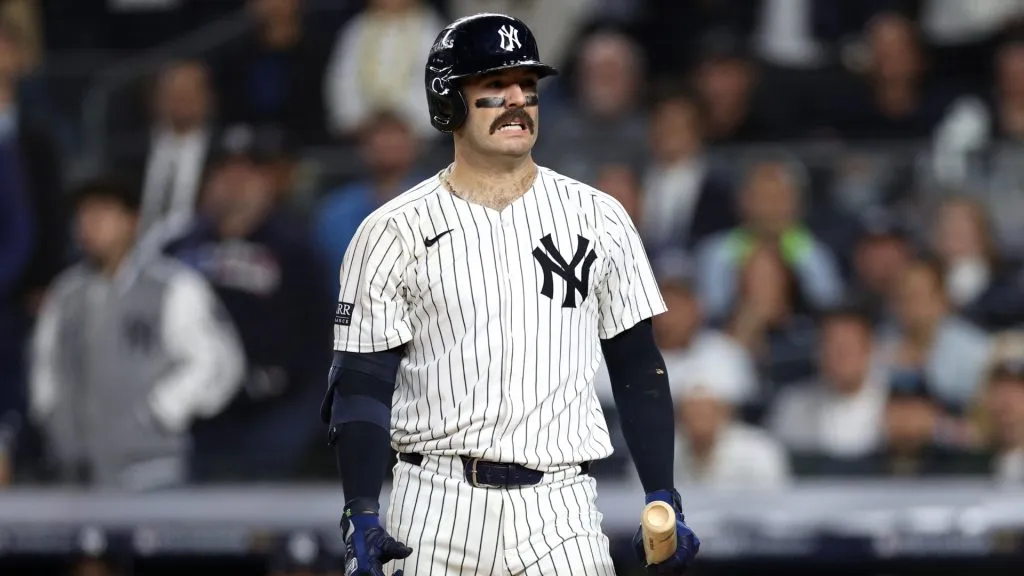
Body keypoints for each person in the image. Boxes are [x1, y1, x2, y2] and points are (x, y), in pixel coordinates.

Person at [320, 13, 699, 576]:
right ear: (449, 103)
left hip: (559, 505)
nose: (518, 99)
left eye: (528, 86)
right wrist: (362, 512)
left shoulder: (599, 217)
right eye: (495, 86)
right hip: (433, 501)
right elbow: (362, 384)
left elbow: (638, 368)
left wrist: (662, 493)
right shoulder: (391, 230)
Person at [28, 177, 245, 490]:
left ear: (132, 220)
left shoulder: (171, 285)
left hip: (150, 469)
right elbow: (44, 367)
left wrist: (163, 409)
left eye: (103, 213)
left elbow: (217, 362)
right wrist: (52, 417)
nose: (90, 225)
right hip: (77, 471)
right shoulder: (66, 293)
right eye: (84, 215)